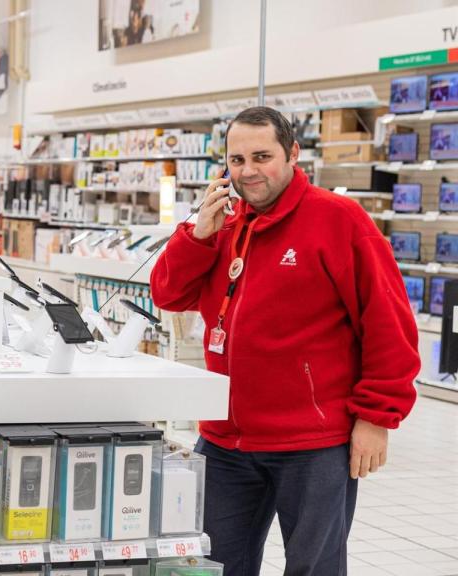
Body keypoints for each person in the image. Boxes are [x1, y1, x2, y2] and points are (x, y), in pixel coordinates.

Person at [150, 107, 419, 576]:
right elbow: (168, 294)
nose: (248, 171)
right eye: (236, 160)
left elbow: (388, 322)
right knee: (210, 565)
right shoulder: (223, 223)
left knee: (314, 568)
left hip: (313, 443)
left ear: (293, 153)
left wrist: (377, 417)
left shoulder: (339, 220)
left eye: (262, 156)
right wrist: (198, 235)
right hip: (224, 439)